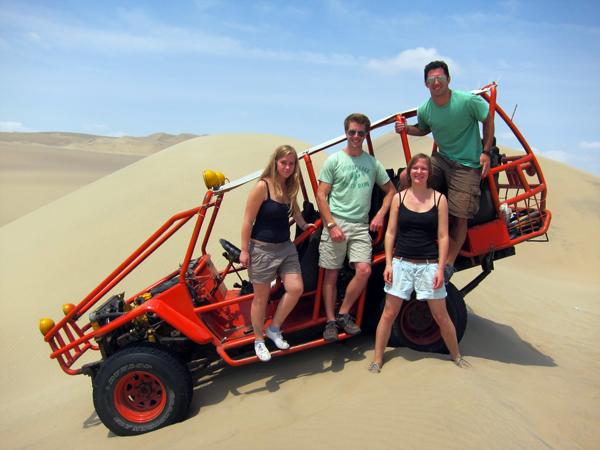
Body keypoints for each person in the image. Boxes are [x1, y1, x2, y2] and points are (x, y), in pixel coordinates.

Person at [369, 153, 470, 373]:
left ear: (429, 173)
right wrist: (388, 263)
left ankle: (457, 356)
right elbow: (390, 233)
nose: (419, 172)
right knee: (388, 314)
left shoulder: (439, 199)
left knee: (441, 316)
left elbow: (443, 237)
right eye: (415, 168)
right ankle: (377, 360)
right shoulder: (400, 198)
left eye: (424, 169)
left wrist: (441, 268)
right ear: (410, 170)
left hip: (429, 265)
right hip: (401, 263)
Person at [395, 60, 495, 282]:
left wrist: (486, 151)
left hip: (467, 164)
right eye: (431, 80)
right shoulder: (425, 109)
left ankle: (448, 264)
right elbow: (424, 128)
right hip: (441, 159)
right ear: (426, 84)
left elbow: (488, 121)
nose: (436, 82)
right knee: (405, 176)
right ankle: (415, 224)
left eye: (440, 78)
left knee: (460, 216)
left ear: (448, 79)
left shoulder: (468, 101)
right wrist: (406, 129)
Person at [316, 113, 396, 341]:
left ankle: (343, 314)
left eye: (361, 133)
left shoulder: (372, 163)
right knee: (330, 274)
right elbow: (321, 195)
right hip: (336, 222)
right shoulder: (334, 160)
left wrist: (380, 214)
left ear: (366, 134)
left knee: (364, 270)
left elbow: (391, 192)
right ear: (346, 133)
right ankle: (331, 322)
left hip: (361, 225)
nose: (356, 136)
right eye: (352, 132)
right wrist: (331, 225)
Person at [240, 145, 316, 362]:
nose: (287, 167)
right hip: (262, 249)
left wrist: (304, 225)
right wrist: (245, 250)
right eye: (284, 163)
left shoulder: (290, 186)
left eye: (291, 164)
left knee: (296, 288)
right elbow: (247, 220)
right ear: (275, 162)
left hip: (286, 247)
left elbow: (296, 210)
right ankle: (258, 340)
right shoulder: (263, 186)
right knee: (261, 299)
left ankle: (274, 328)